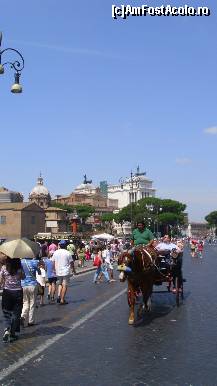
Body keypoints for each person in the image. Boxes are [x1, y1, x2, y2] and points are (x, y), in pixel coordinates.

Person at [0, 257, 25, 342]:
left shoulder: (4, 268)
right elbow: (23, 277)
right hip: (17, 292)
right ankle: (12, 333)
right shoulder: (19, 267)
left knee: (6, 312)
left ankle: (7, 330)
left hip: (7, 292)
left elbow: (1, 280)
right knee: (16, 314)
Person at [53, 240, 74, 305]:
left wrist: (54, 269)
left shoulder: (55, 252)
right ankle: (62, 299)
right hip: (65, 271)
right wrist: (73, 269)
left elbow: (53, 262)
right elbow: (71, 262)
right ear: (65, 246)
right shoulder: (68, 253)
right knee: (64, 285)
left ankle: (59, 295)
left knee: (60, 283)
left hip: (58, 271)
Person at [21, 256, 39, 327]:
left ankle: (22, 316)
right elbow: (39, 272)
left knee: (25, 302)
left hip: (23, 285)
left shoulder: (21, 262)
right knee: (32, 303)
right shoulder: (34, 262)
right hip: (32, 285)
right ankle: (30, 321)